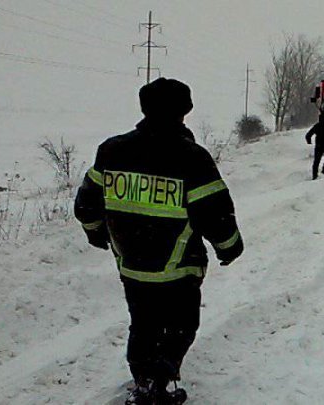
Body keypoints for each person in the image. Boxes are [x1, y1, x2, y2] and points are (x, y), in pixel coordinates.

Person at [74, 77, 244, 404]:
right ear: (185, 111)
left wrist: (97, 233)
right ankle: (161, 380)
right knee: (180, 325)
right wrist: (229, 246)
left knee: (142, 324)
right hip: (179, 269)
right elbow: (215, 214)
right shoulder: (192, 158)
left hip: (132, 268)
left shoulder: (112, 150)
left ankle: (142, 381)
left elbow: (86, 205)